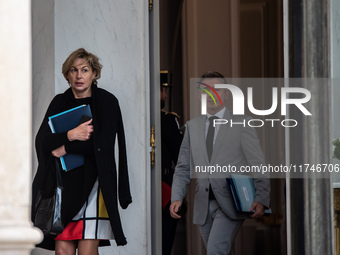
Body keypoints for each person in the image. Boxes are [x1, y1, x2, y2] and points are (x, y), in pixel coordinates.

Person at [31, 48, 132, 254]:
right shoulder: (59, 102)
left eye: (85, 70)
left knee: (87, 251)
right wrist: (71, 134)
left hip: (95, 185)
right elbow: (42, 141)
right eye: (74, 70)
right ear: (67, 75)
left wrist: (65, 147)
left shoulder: (107, 102)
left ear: (94, 74)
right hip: (65, 187)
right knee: (62, 250)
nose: (79, 76)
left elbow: (101, 144)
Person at [169, 71, 270, 255]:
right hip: (203, 206)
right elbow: (183, 167)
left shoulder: (242, 123)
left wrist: (262, 197)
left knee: (216, 251)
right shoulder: (193, 127)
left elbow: (258, 162)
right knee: (220, 251)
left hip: (232, 202)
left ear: (226, 94)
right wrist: (177, 196)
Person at [160, 71, 183, 255]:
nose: (165, 95)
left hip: (165, 190)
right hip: (163, 189)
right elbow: (181, 157)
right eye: (162, 90)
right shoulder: (168, 121)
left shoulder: (168, 119)